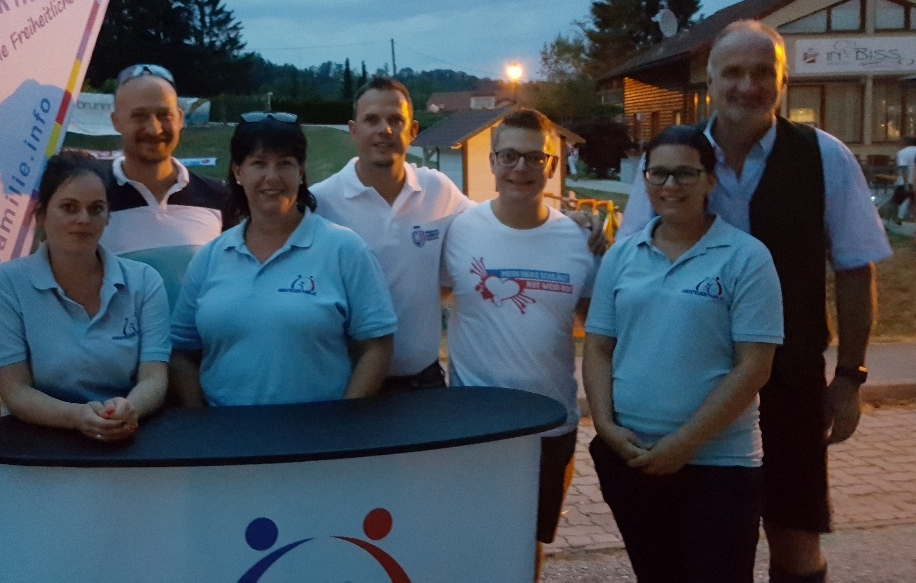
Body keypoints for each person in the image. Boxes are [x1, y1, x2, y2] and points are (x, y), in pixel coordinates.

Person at [619, 20, 891, 583]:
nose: (748, 85)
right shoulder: (674, 157)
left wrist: (849, 378)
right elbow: (633, 268)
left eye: (763, 72)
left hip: (790, 380)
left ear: (784, 80)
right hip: (691, 383)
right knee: (707, 543)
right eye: (734, 72)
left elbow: (854, 270)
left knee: (796, 542)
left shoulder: (825, 157)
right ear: (710, 79)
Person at [585, 125, 783, 582]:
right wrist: (606, 427)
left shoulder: (746, 258)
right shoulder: (621, 256)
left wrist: (686, 443)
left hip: (719, 465)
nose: (670, 185)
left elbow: (754, 366)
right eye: (658, 173)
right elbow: (597, 348)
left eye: (685, 173)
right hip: (632, 457)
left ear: (710, 180)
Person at [440, 108, 597, 572]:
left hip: (552, 425)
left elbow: (595, 328)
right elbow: (426, 296)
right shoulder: (459, 230)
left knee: (528, 546)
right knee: (471, 543)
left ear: (552, 164)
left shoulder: (577, 240)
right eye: (508, 156)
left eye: (534, 157)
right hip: (476, 426)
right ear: (492, 161)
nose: (520, 168)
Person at [169, 113, 396, 407]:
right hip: (226, 431)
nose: (272, 177)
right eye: (258, 163)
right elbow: (182, 352)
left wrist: (345, 420)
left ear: (301, 171)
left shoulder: (346, 250)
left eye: (285, 164)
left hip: (318, 430)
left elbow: (377, 347)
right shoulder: (209, 258)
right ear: (238, 171)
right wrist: (201, 419)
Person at [0, 150, 169, 441]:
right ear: (40, 214)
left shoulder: (144, 281)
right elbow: (15, 391)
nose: (83, 219)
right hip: (34, 448)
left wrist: (129, 410)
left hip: (127, 439)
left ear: (108, 217)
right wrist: (78, 417)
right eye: (69, 207)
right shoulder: (3, 285)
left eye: (96, 209)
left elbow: (154, 378)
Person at [310, 77, 469, 392]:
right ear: (353, 130)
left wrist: (561, 223)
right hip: (348, 386)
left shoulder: (438, 191)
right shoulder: (321, 203)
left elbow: (491, 227)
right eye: (371, 120)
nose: (384, 130)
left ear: (413, 130)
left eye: (396, 120)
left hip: (424, 384)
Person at [104, 64, 226, 307]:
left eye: (164, 115)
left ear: (180, 118)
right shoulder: (90, 201)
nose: (154, 128)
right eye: (139, 116)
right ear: (116, 121)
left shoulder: (220, 197)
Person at [891, 136, 916, 223]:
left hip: (904, 183)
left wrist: (906, 184)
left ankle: (890, 220)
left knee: (895, 203)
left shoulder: (902, 153)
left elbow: (903, 168)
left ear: (904, 142)